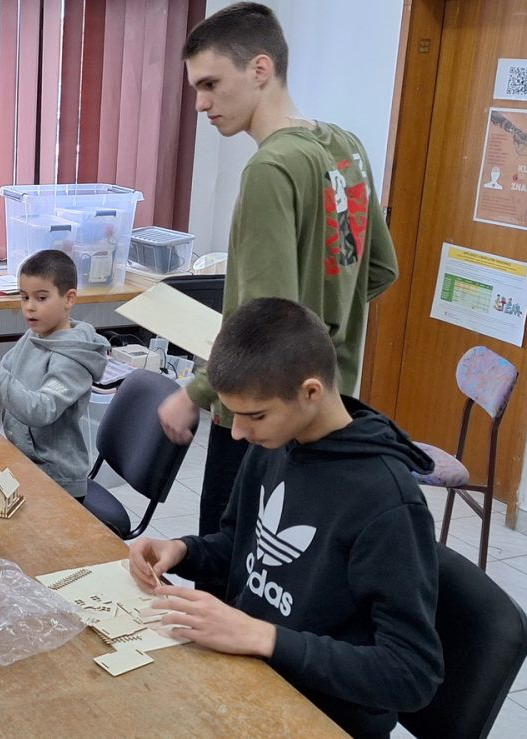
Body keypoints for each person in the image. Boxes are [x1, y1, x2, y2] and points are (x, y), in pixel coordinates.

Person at [154, 2, 400, 559]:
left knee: (233, 564)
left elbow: (262, 325)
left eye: (211, 84)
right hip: (329, 403)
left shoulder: (270, 168)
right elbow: (380, 269)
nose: (201, 103)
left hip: (260, 407)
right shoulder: (345, 147)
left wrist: (194, 393)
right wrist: (325, 327)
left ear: (260, 69)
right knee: (291, 571)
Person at [129, 298, 440, 737]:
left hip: (319, 715)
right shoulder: (275, 443)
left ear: (310, 392)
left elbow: (410, 674)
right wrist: (182, 550)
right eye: (233, 414)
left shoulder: (387, 503)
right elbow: (240, 546)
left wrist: (264, 637)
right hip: (250, 679)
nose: (239, 432)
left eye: (254, 415)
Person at [0, 250, 108, 498]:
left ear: (69, 299)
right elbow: (4, 384)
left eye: (41, 298)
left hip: (57, 479)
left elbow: (40, 410)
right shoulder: (34, 336)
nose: (29, 307)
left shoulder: (73, 359)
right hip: (23, 461)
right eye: (24, 297)